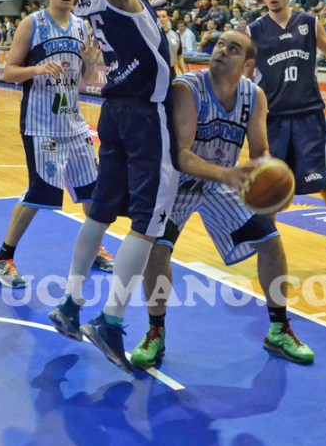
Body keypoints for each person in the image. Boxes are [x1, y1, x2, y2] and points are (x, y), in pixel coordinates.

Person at [24, 0, 178, 374]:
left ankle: (70, 305)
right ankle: (110, 321)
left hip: (111, 113)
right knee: (147, 225)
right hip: (143, 113)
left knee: (97, 213)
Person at [131, 31, 313, 370]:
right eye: (219, 45)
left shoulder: (254, 96)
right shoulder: (187, 89)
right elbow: (181, 154)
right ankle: (156, 331)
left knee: (271, 242)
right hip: (177, 184)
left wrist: (271, 183)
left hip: (220, 185)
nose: (222, 51)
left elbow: (259, 151)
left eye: (233, 48)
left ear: (247, 64)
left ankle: (279, 328)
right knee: (158, 251)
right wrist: (228, 175)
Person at [0, 0, 114, 287]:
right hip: (41, 123)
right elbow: (9, 73)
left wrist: (89, 61)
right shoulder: (32, 23)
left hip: (73, 121)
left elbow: (84, 81)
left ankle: (94, 246)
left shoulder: (82, 26)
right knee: (38, 192)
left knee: (92, 190)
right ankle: (3, 257)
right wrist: (38, 68)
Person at [248, 0, 326, 275]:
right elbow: (245, 71)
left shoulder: (308, 22)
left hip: (309, 116)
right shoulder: (255, 29)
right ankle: (268, 250)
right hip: (274, 119)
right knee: (269, 188)